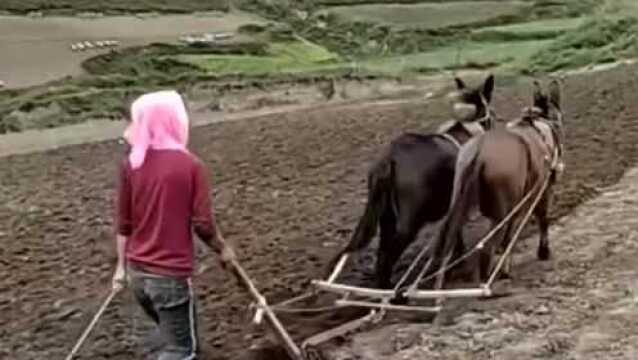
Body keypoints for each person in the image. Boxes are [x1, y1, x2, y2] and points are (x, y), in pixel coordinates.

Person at [111, 90, 236, 359]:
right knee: (181, 351)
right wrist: (223, 249)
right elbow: (203, 223)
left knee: (179, 338)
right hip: (168, 278)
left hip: (138, 276)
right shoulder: (190, 166)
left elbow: (124, 224)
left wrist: (120, 270)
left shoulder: (132, 164)